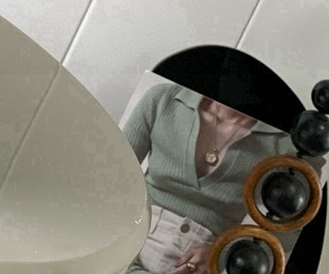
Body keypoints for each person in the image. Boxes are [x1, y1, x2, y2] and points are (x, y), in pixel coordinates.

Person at [122, 82, 323, 274]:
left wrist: (222, 255)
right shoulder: (163, 99)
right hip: (127, 242)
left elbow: (279, 243)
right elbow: (112, 184)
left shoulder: (292, 150)